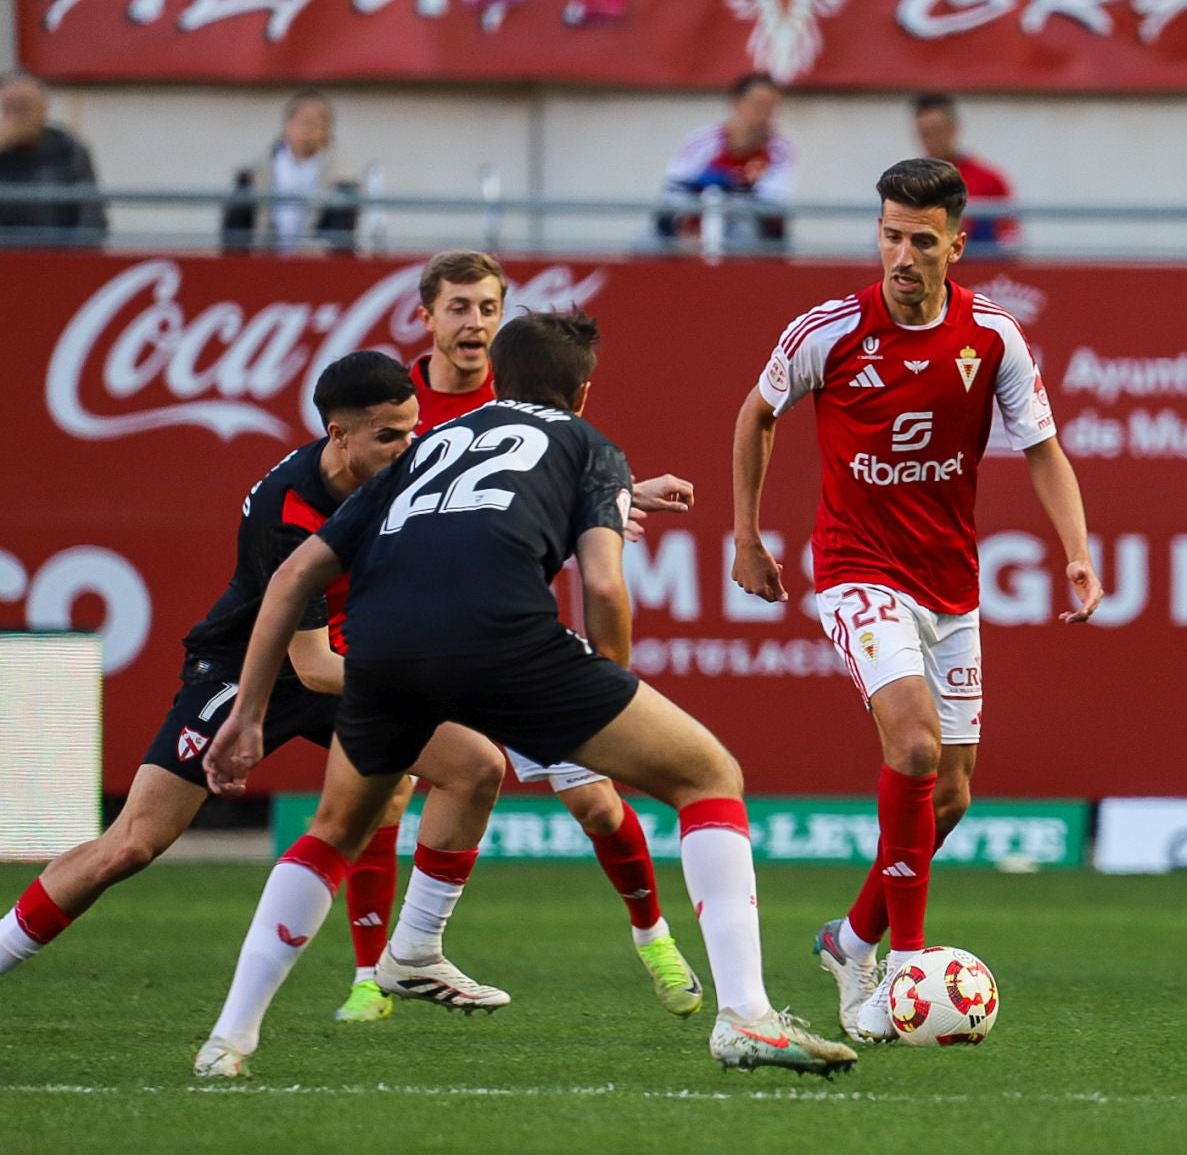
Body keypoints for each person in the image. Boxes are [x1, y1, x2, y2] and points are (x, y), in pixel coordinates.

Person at [194, 311, 856, 1078]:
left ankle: (229, 1040)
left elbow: (294, 575)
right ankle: (746, 1015)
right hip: (505, 640)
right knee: (709, 777)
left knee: (335, 829)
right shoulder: (588, 444)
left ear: (498, 380)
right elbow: (604, 580)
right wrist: (608, 681)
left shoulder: (428, 445)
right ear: (582, 392)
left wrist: (247, 714)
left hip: (381, 649)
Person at [0, 353, 506, 1023]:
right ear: (339, 435)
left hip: (337, 661)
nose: (408, 448)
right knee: (132, 844)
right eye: (390, 436)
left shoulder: (403, 471)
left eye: (412, 431)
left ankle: (412, 952)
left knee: (474, 767)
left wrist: (606, 493)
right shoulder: (290, 511)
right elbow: (313, 668)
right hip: (249, 671)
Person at [731, 158, 1102, 1041]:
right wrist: (748, 536)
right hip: (857, 567)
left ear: (956, 244)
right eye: (890, 235)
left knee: (953, 794)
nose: (901, 254)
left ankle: (847, 938)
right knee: (914, 742)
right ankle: (904, 957)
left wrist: (1078, 555)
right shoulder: (826, 331)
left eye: (921, 240)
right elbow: (757, 415)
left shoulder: (995, 338)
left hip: (950, 581)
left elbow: (1044, 450)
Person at [402, 249, 704, 1016]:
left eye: (487, 308)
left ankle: (654, 938)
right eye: (460, 307)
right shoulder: (396, 411)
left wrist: (618, 495)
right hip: (427, 633)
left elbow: (528, 501)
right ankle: (378, 972)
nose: (473, 323)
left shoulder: (527, 417)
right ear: (426, 315)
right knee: (375, 800)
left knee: (597, 804)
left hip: (501, 640)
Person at [656, 72, 794, 250]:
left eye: (771, 108)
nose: (765, 116)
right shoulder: (702, 141)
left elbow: (772, 204)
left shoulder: (779, 150)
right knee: (644, 240)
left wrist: (729, 189)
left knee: (742, 234)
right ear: (736, 104)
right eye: (759, 106)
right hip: (693, 226)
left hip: (745, 230)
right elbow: (673, 193)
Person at [221, 91, 359, 253]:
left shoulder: (343, 181)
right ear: (287, 125)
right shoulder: (253, 175)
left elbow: (340, 240)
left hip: (315, 269)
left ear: (328, 131)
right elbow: (234, 234)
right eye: (305, 121)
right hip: (261, 266)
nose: (310, 129)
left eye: (319, 123)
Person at [0, 72, 107, 244]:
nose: (18, 117)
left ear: (43, 107)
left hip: (57, 255)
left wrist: (71, 260)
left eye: (24, 106)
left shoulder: (68, 147)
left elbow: (91, 215)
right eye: (10, 107)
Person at [912, 93, 1019, 252]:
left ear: (954, 129)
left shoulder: (989, 180)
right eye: (925, 133)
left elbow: (1009, 239)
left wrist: (970, 232)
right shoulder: (909, 182)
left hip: (977, 271)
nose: (932, 139)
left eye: (937, 130)